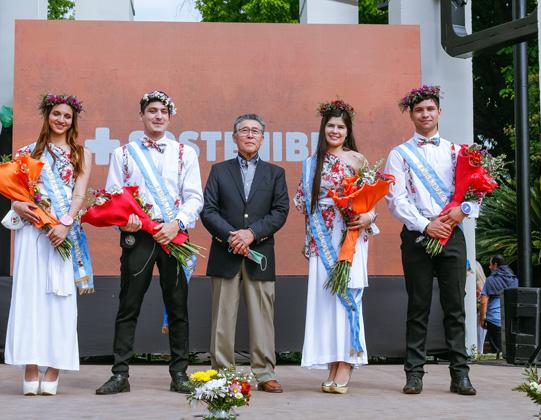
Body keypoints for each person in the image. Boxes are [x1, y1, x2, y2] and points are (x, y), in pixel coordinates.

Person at [95, 91, 203, 395]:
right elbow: (114, 195)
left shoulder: (185, 153)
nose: (158, 116)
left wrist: (177, 223)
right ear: (142, 115)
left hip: (174, 236)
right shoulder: (124, 154)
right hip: (138, 237)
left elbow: (195, 196)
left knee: (178, 306)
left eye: (163, 112)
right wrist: (125, 219)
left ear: (170, 117)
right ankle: (120, 374)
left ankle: (179, 373)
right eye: (152, 110)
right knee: (128, 304)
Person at [384, 85, 478, 396]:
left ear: (439, 112)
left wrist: (458, 215)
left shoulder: (457, 152)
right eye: (419, 110)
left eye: (430, 109)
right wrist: (426, 226)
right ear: (411, 115)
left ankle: (460, 375)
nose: (425, 114)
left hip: (452, 235)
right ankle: (414, 375)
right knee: (418, 305)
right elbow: (395, 200)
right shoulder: (399, 154)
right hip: (417, 237)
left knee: (455, 307)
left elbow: (474, 196)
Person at [5, 94, 93, 396]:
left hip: (63, 232)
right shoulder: (27, 152)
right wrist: (17, 206)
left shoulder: (82, 154)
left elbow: (80, 194)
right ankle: (30, 366)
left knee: (61, 299)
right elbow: (16, 193)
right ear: (48, 116)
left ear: (73, 120)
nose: (61, 120)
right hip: (33, 234)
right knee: (30, 298)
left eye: (67, 116)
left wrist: (66, 222)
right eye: (56, 114)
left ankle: (55, 366)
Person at [201, 114, 289, 393]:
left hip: (260, 254)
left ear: (262, 138)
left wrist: (252, 234)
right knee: (222, 317)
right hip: (225, 253)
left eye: (255, 131)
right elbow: (208, 210)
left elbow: (280, 211)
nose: (250, 135)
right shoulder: (219, 170)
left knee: (263, 316)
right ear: (234, 137)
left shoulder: (275, 173)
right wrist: (232, 236)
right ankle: (223, 372)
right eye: (244, 131)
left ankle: (264, 373)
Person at [294, 99, 376, 394]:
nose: (335, 130)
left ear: (348, 129)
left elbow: (371, 201)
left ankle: (347, 362)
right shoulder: (309, 164)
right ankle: (332, 362)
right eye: (330, 125)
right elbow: (307, 207)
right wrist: (308, 241)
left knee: (347, 298)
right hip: (321, 239)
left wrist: (368, 216)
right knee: (326, 302)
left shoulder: (358, 160)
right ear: (323, 128)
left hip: (349, 237)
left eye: (341, 126)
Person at [480, 254, 518, 355]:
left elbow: (483, 301)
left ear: (495, 265)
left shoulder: (491, 280)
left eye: (490, 264)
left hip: (494, 319)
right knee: (510, 352)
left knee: (498, 352)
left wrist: (482, 319)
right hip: (510, 320)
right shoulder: (514, 279)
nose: (489, 267)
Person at [474, 260, 487, 354]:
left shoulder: (478, 284)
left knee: (478, 338)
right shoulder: (484, 282)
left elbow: (482, 301)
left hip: (478, 314)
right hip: (480, 314)